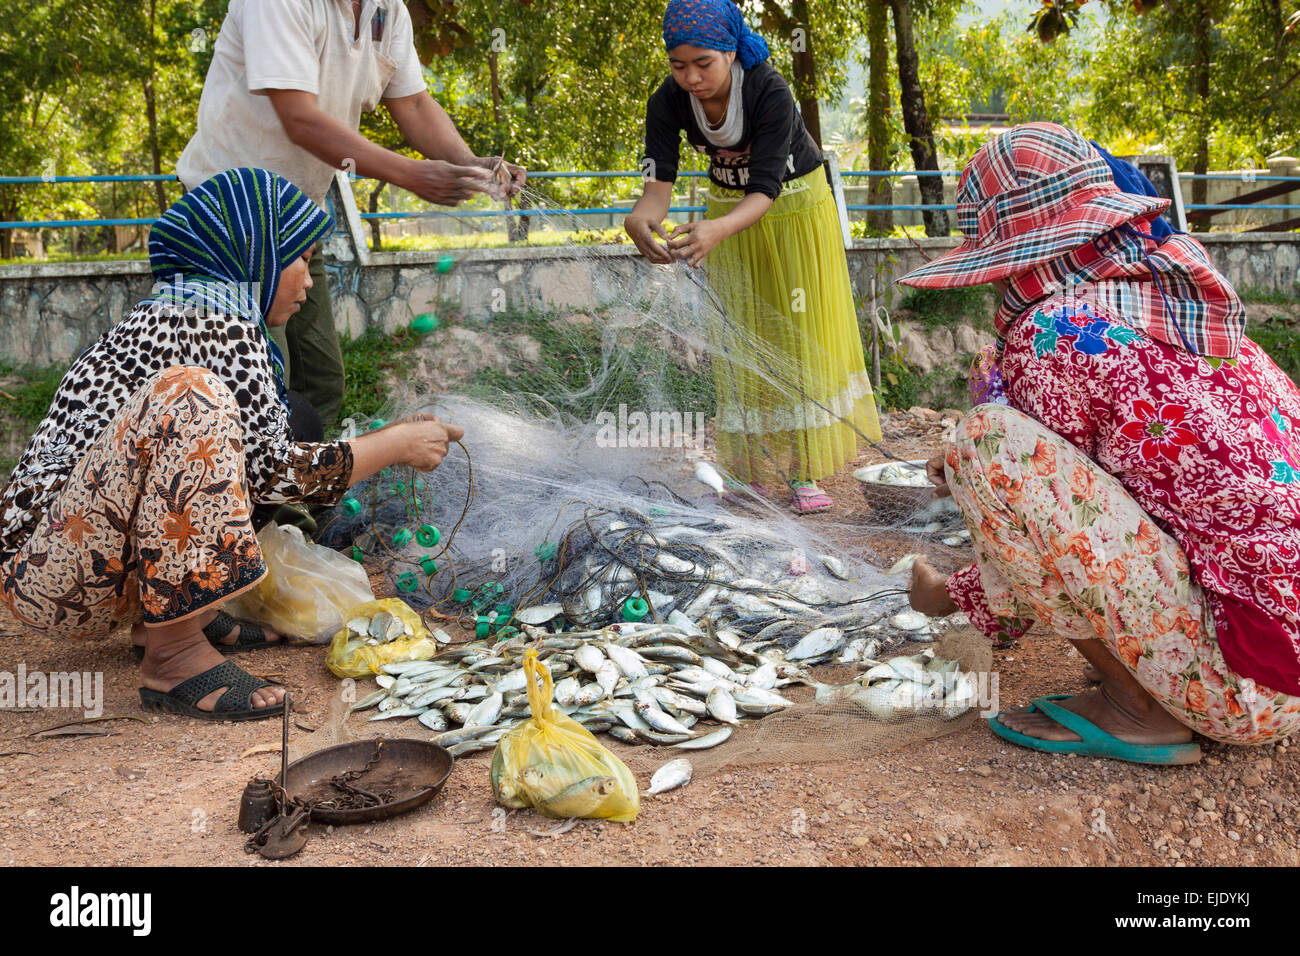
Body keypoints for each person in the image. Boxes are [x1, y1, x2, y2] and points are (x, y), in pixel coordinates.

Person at [0, 168, 464, 722]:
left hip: (64, 559)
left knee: (296, 415)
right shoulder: (211, 320)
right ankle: (173, 654)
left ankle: (168, 619)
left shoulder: (193, 311)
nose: (309, 282)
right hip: (52, 575)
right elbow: (273, 474)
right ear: (256, 256)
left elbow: (256, 455)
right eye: (302, 260)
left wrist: (390, 439)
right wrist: (397, 444)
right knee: (193, 399)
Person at [902, 123, 1300, 764]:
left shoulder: (1051, 330)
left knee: (982, 446)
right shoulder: (1161, 296)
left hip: (1246, 684)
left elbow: (1031, 508)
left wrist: (953, 592)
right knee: (989, 457)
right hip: (1283, 660)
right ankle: (1157, 675)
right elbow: (1100, 494)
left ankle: (1136, 708)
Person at [177, 0, 525, 434]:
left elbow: (414, 105)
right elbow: (300, 120)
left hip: (297, 220)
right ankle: (243, 497)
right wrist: (412, 174)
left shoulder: (388, 10)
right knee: (255, 386)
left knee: (320, 383)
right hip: (231, 219)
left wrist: (472, 164)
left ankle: (301, 495)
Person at [624, 0, 879, 514]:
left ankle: (806, 473)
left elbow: (764, 189)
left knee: (798, 333)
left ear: (730, 52)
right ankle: (754, 472)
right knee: (742, 336)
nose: (691, 77)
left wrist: (716, 229)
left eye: (704, 64)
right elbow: (658, 190)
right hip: (726, 217)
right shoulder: (667, 101)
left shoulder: (768, 90)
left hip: (793, 210)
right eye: (678, 65)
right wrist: (638, 220)